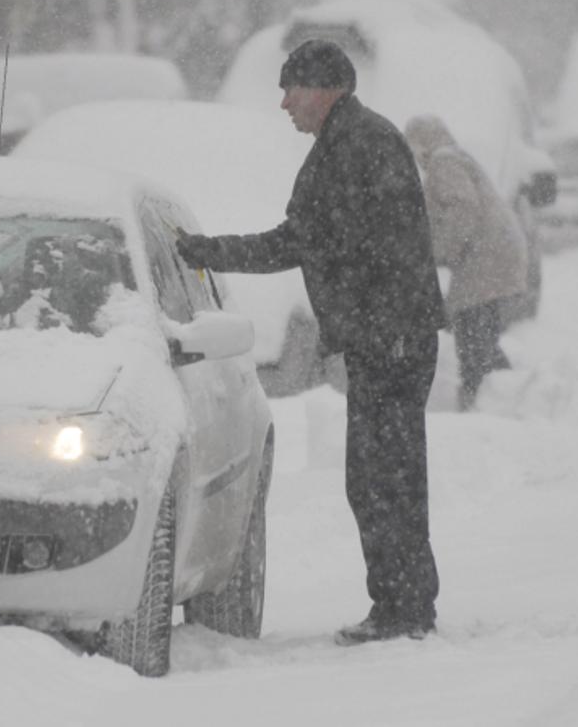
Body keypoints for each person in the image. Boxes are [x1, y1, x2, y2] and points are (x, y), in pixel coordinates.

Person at [176, 39, 445, 645]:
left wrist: (211, 252)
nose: (283, 103)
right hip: (387, 336)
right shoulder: (346, 143)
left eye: (291, 89)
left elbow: (316, 243)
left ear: (326, 88)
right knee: (378, 478)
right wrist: (211, 251)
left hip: (394, 339)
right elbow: (307, 240)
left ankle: (405, 610)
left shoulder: (362, 145)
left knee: (387, 478)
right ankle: (402, 605)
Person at [403, 115, 528, 411]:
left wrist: (442, 250)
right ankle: (511, 394)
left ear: (422, 144)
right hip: (495, 254)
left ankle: (480, 401)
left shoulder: (443, 163)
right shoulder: (453, 159)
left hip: (487, 257)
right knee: (477, 329)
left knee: (471, 330)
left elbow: (462, 206)